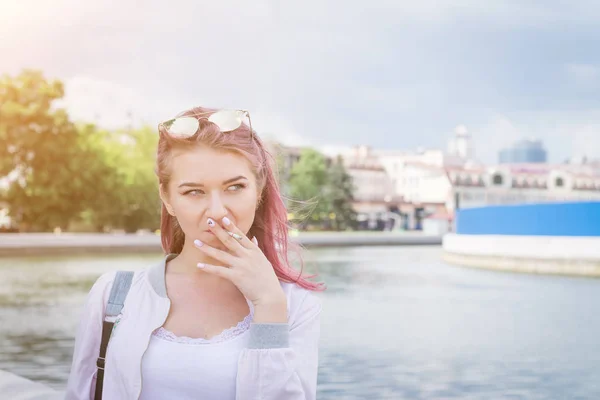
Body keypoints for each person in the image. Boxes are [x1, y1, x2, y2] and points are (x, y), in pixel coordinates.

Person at [65, 106, 325, 399]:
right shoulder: (114, 296)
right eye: (194, 192)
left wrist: (268, 305)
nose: (216, 211)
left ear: (259, 189)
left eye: (235, 187)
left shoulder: (295, 306)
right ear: (167, 198)